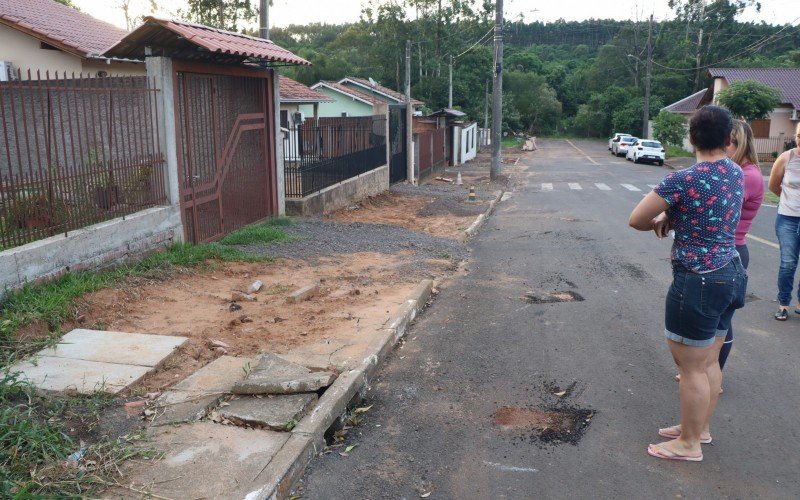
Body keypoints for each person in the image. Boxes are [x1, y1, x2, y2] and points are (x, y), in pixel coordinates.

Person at [629, 105, 747, 462]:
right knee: (709, 362)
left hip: (697, 281)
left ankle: (688, 445)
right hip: (730, 272)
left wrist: (666, 217)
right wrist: (675, 216)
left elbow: (637, 219)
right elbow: (709, 213)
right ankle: (698, 430)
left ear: (691, 138)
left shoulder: (682, 180)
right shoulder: (735, 172)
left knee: (691, 368)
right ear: (729, 139)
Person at [674, 120, 763, 382]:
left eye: (726, 144)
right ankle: (705, 372)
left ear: (736, 144)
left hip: (727, 251)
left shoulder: (745, 175)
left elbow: (705, 204)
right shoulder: (738, 172)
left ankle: (710, 374)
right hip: (726, 250)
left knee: (721, 322)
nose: (721, 151)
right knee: (716, 320)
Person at [768, 122, 800, 320]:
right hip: (787, 218)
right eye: (799, 136)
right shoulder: (786, 158)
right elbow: (773, 185)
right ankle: (783, 304)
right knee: (788, 263)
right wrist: (789, 201)